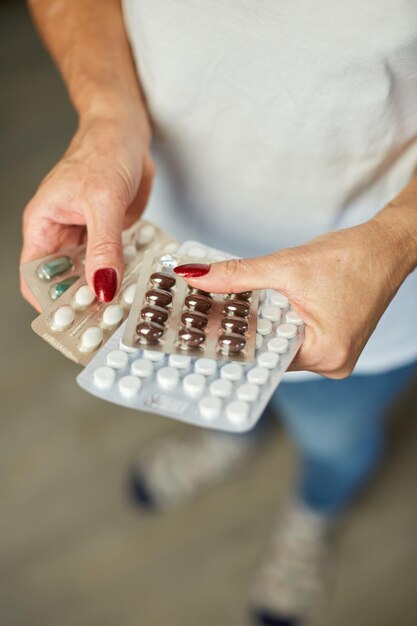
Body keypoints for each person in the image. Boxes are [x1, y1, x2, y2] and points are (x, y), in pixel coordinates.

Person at [21, 1, 417, 624]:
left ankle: (316, 510)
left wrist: (401, 234)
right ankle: (231, 432)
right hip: (163, 230)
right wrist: (105, 114)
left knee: (331, 435)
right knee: (223, 395)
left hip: (363, 283)